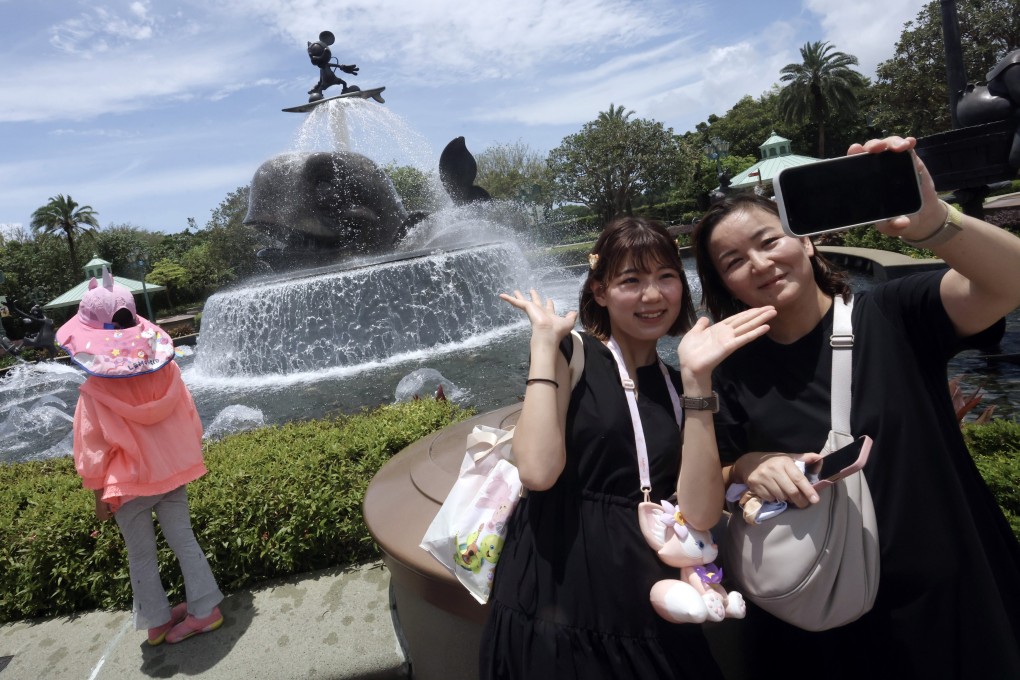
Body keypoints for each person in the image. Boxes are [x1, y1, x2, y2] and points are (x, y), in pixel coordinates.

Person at [692, 136, 1020, 678]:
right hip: (821, 617)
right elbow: (718, 472)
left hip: (945, 605)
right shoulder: (731, 370)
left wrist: (935, 220)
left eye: (769, 240)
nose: (759, 263)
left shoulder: (892, 315)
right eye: (733, 261)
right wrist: (750, 465)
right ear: (724, 283)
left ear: (808, 243)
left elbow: (1008, 283)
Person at [479, 217, 776, 679]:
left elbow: (698, 515)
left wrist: (698, 383)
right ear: (599, 291)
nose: (652, 295)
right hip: (559, 587)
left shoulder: (679, 386)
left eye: (665, 277)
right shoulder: (574, 355)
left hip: (643, 591)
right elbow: (536, 472)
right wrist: (543, 342)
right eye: (631, 280)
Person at [56, 268, 224, 646]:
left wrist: (99, 494)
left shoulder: (95, 390)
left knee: (142, 557)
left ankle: (157, 622)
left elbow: (92, 447)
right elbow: (191, 422)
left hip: (129, 484)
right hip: (172, 471)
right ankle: (205, 609)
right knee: (184, 541)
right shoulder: (169, 372)